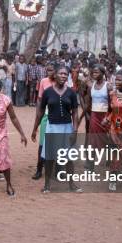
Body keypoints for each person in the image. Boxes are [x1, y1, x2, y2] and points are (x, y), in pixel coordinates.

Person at [31, 65, 81, 193]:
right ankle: (47, 185)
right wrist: (35, 128)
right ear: (55, 75)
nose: (63, 76)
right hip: (52, 127)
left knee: (69, 158)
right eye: (61, 73)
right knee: (49, 158)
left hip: (67, 127)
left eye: (66, 74)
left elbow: (75, 112)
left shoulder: (71, 92)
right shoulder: (47, 92)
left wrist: (75, 130)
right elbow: (41, 112)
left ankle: (72, 184)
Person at [82, 64, 111, 165]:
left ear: (102, 74)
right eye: (93, 72)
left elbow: (112, 104)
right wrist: (82, 117)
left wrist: (108, 117)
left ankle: (109, 159)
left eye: (97, 72)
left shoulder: (108, 86)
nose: (94, 74)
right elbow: (87, 103)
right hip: (94, 115)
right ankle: (90, 163)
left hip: (106, 116)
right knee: (92, 139)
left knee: (107, 138)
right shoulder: (91, 86)